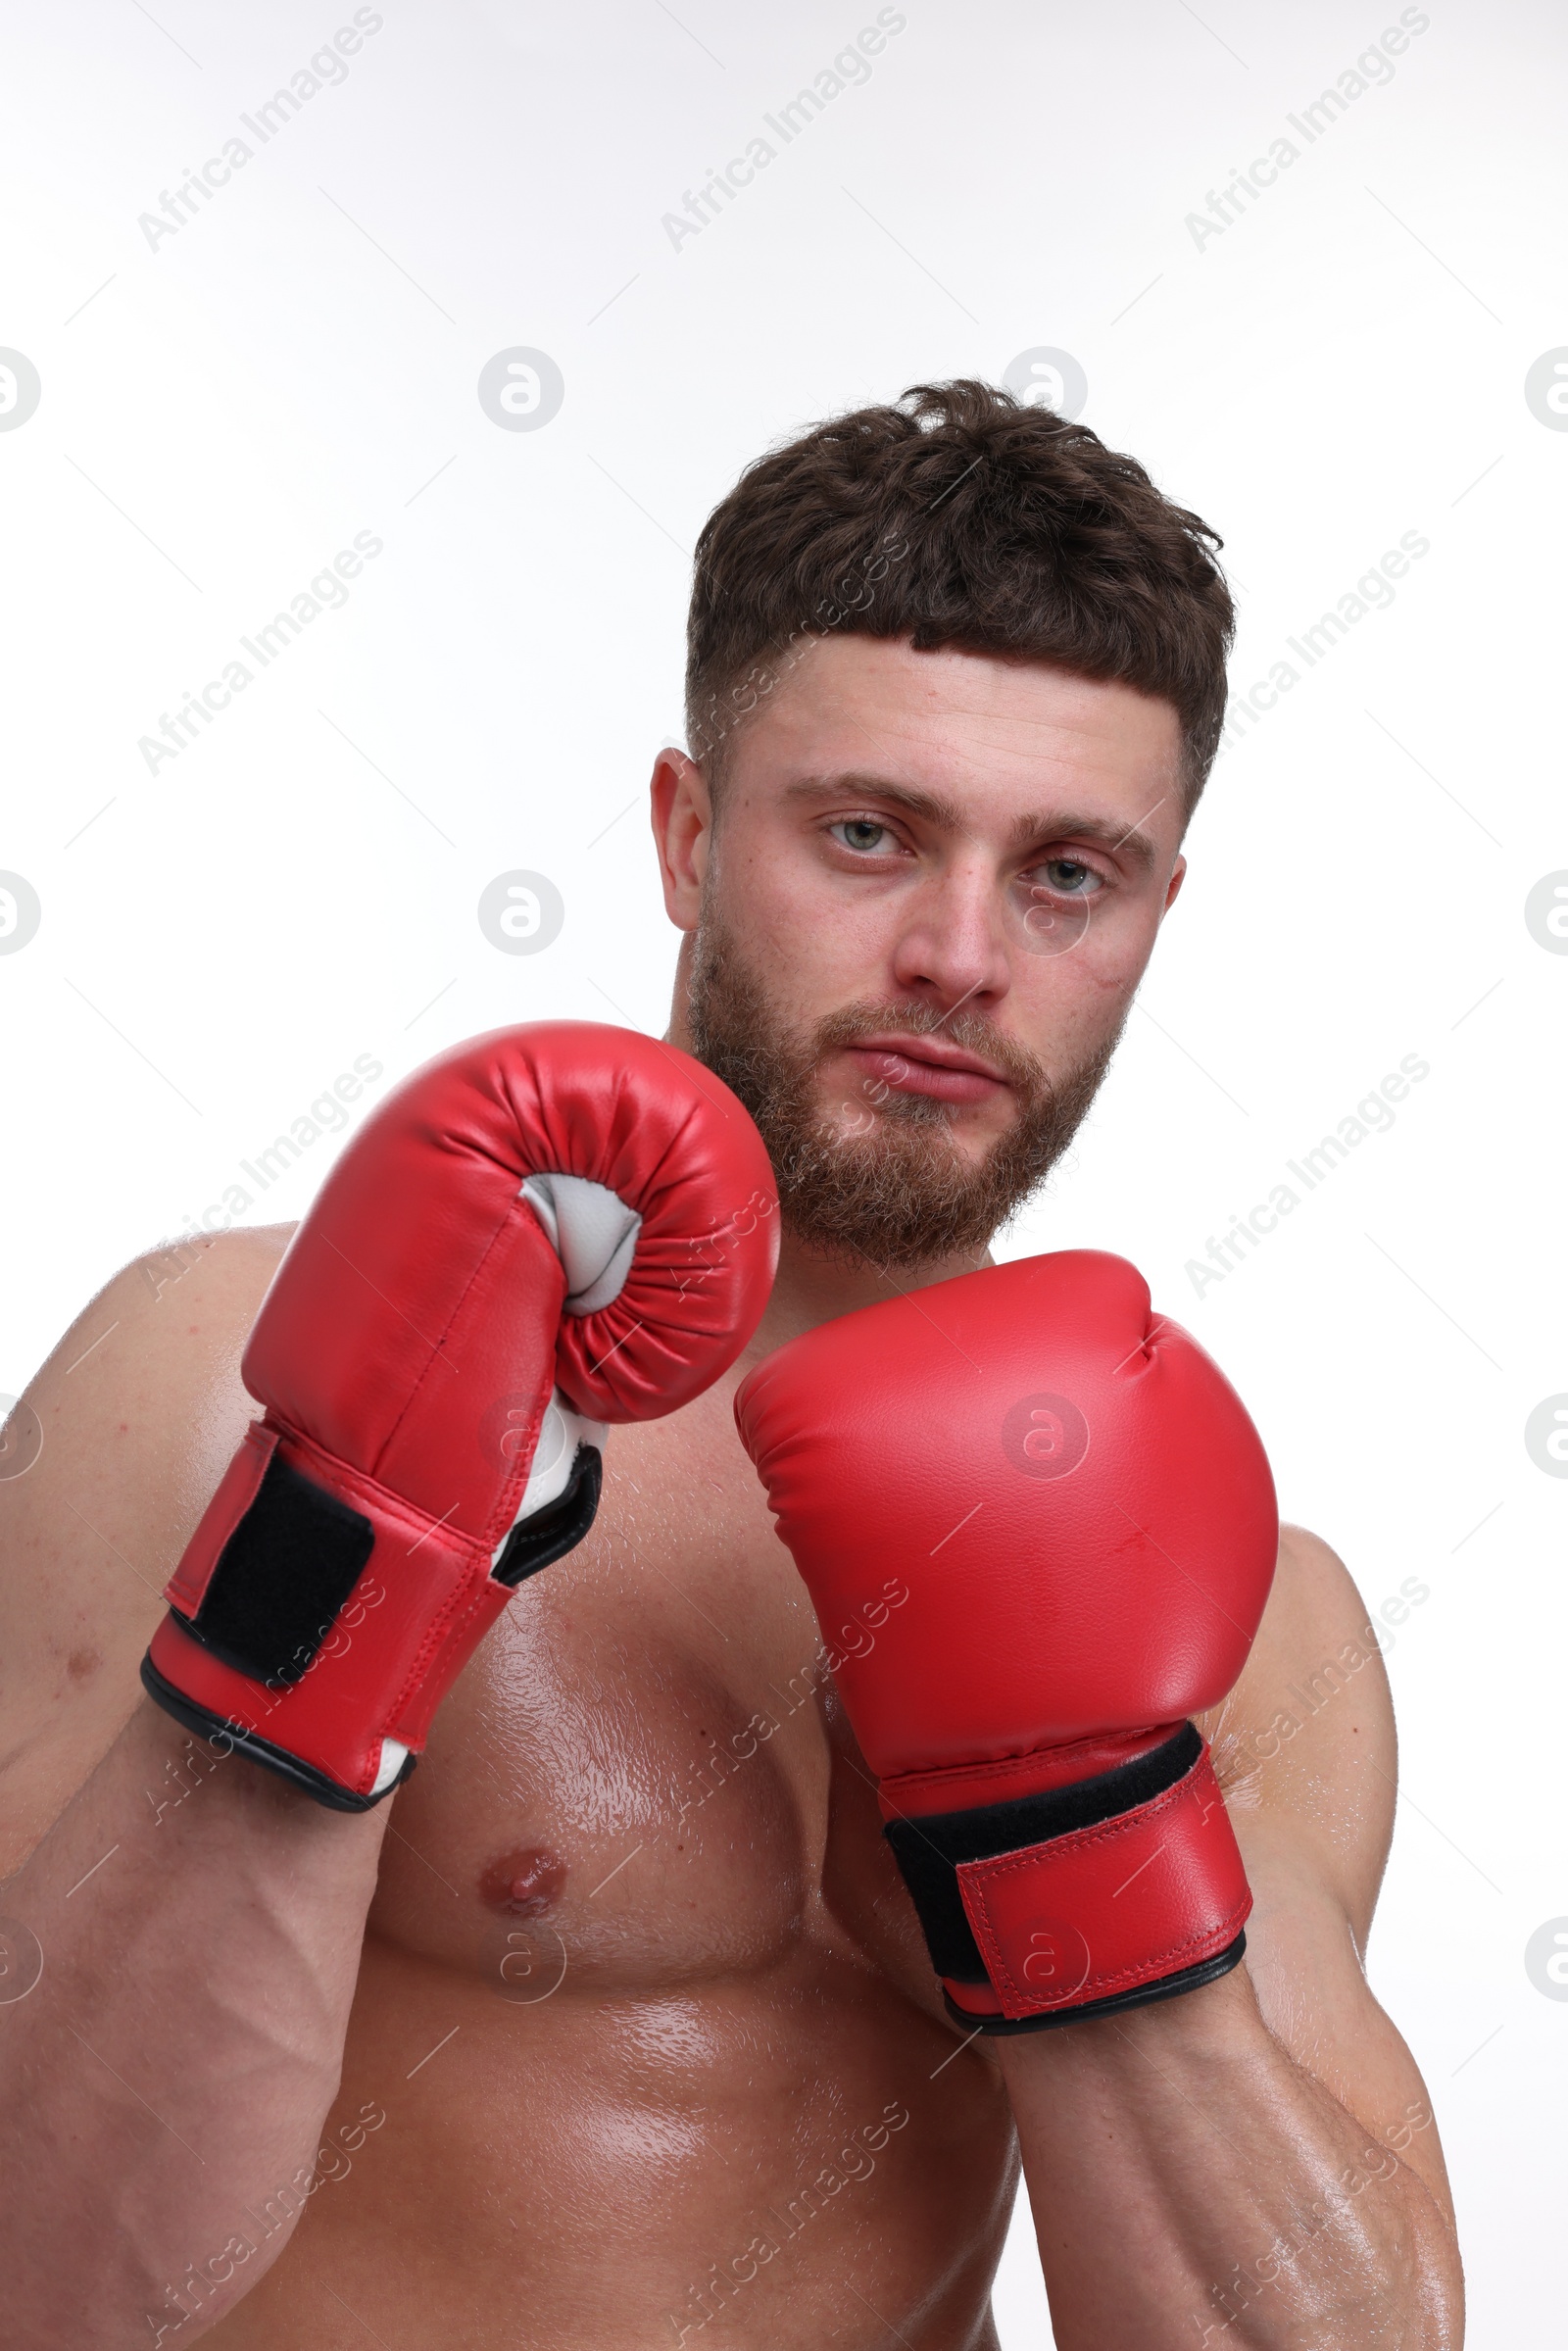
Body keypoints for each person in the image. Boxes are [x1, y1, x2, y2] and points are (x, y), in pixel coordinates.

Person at [0, 380, 1462, 2347]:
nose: (958, 950)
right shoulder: (208, 1379)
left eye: (1063, 874)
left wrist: (1078, 1839)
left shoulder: (1245, 1620)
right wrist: (332, 1572)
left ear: (1154, 910)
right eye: (866, 833)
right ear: (687, 836)